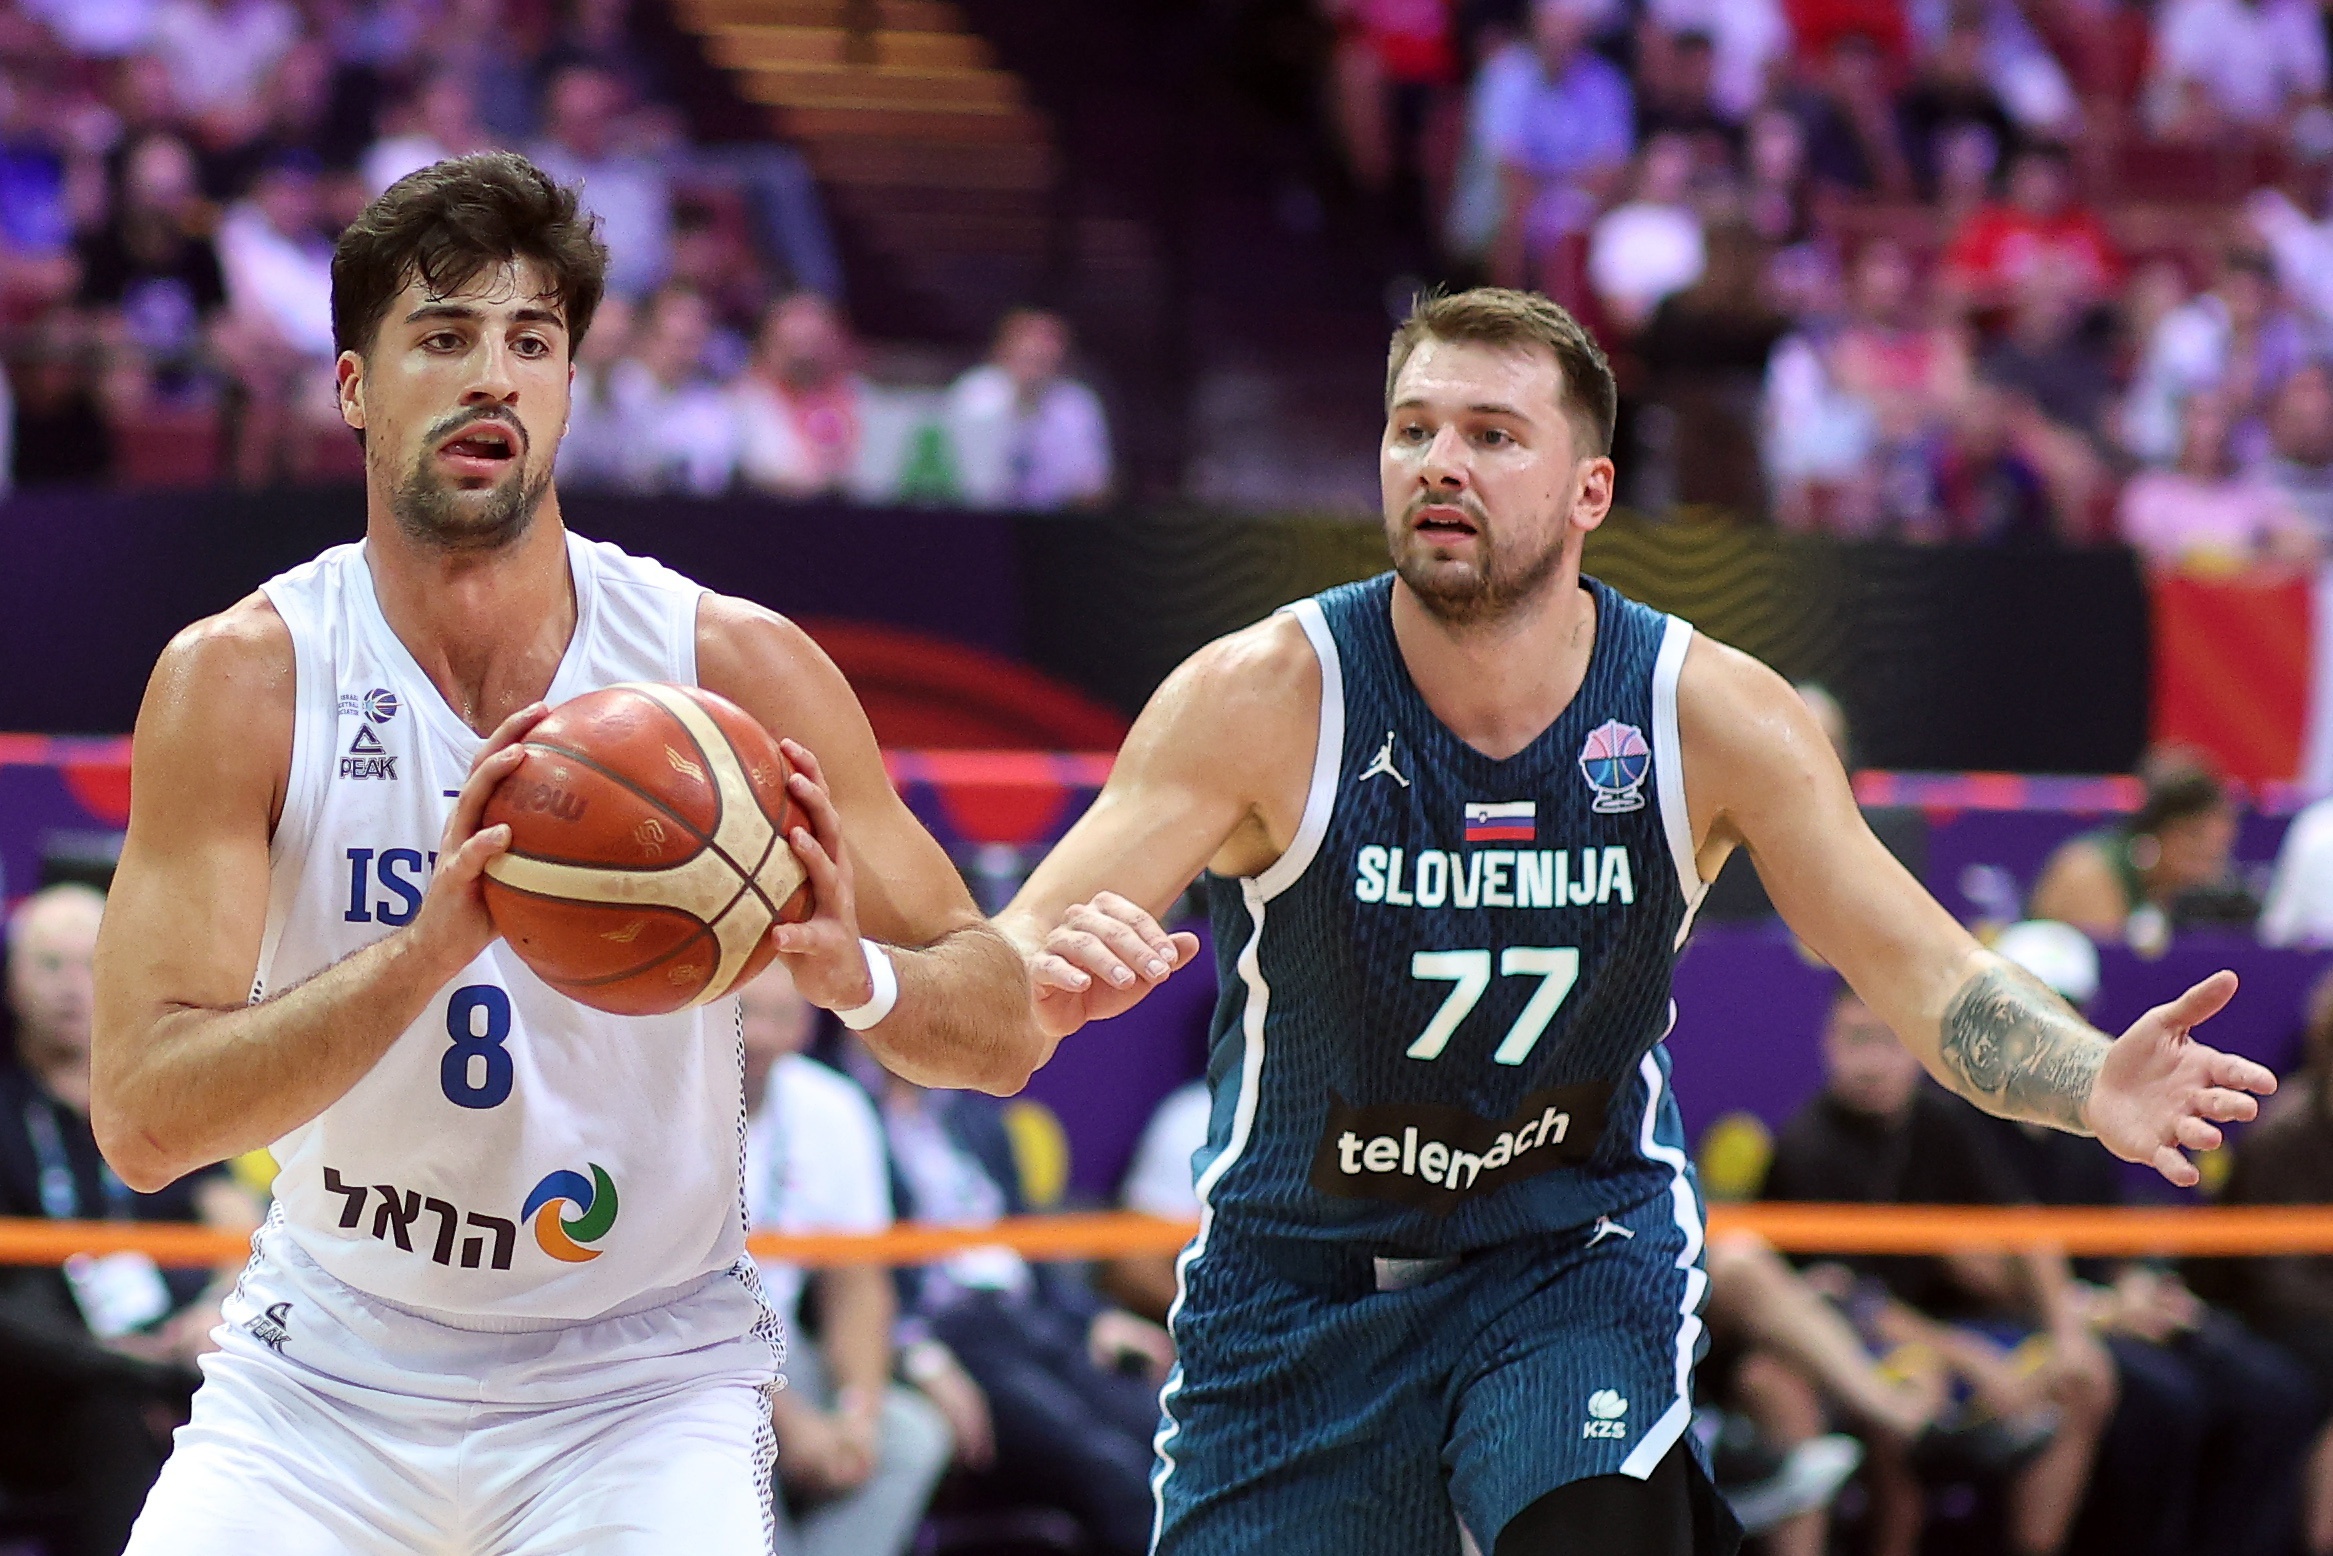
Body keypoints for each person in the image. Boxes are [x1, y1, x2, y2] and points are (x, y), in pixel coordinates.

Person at [998, 284, 2273, 1556]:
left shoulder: (1707, 713)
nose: (1441, 460)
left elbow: (1924, 971)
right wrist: (932, 978)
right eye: (1412, 429)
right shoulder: (1259, 698)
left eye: (1493, 434)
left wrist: (2087, 1080)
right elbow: (1003, 971)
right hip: (1301, 1288)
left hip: (1568, 1257)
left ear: (1590, 492)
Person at [89, 152, 1050, 1556]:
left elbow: (1005, 1025)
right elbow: (143, 1119)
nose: (493, 377)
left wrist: (865, 985)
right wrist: (428, 950)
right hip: (327, 1375)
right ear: (355, 389)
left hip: (636, 1387)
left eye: (532, 342)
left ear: (569, 389)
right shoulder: (245, 680)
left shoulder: (728, 670)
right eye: (443, 338)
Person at [1762, 986, 2112, 1556]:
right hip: (1858, 1341)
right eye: (1857, 1041)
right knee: (1915, 1390)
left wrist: (2066, 1333)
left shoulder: (1941, 1120)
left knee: (2085, 1376)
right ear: (1828, 1046)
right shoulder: (1809, 1146)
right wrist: (1973, 1362)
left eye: (1888, 1042)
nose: (1874, 1062)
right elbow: (1856, 1302)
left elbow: (2024, 1225)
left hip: (1952, 1327)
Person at [0, 885, 255, 1556]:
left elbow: (238, 1220)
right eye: (48, 965)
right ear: (11, 977)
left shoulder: (152, 1085)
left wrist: (215, 1308)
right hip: (46, 1371)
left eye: (88, 965)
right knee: (107, 1409)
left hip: (170, 1349)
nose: (70, 988)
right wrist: (115, 1360)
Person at [869, 1061, 1172, 1556]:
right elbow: (841, 1283)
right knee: (1110, 1469)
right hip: (949, 1335)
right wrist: (916, 1356)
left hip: (1030, 1320)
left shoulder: (976, 1115)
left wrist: (1095, 1319)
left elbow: (1032, 1248)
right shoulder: (840, 1106)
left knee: (1169, 1438)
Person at [739, 966, 952, 1556]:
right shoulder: (670, 1107)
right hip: (685, 1354)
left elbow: (857, 1283)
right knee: (740, 1454)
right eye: (745, 1015)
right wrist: (794, 1424)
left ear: (807, 1024)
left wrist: (858, 1413)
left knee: (907, 1439)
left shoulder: (832, 1106)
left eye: (780, 1018)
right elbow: (684, 1307)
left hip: (782, 1347)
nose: (760, 1036)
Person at [2028, 749, 2252, 943]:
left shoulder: (2184, 893)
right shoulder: (2088, 873)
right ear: (2154, 833)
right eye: (2194, 839)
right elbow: (2110, 969)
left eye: (2219, 850)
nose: (2209, 859)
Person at [943, 308, 1112, 511]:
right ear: (1003, 350)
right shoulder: (974, 392)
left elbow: (1094, 485)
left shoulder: (1076, 403)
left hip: (1054, 521)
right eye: (1028, 353)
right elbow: (953, 475)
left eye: (1046, 355)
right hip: (982, 517)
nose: (1039, 355)